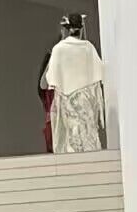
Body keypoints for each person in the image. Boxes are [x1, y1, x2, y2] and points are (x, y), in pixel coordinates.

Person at [44, 13, 107, 153]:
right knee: (88, 134)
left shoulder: (59, 49)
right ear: (81, 28)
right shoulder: (88, 48)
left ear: (67, 29)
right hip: (86, 98)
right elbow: (99, 72)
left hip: (67, 98)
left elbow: (51, 77)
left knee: (71, 135)